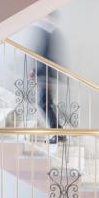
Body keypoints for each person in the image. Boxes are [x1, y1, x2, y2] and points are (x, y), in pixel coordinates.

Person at [31, 12, 68, 144]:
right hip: (45, 75)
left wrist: (42, 76)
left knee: (45, 104)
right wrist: (35, 71)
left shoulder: (49, 33)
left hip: (46, 76)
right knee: (46, 104)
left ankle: (59, 134)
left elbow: (46, 56)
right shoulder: (48, 32)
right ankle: (59, 133)